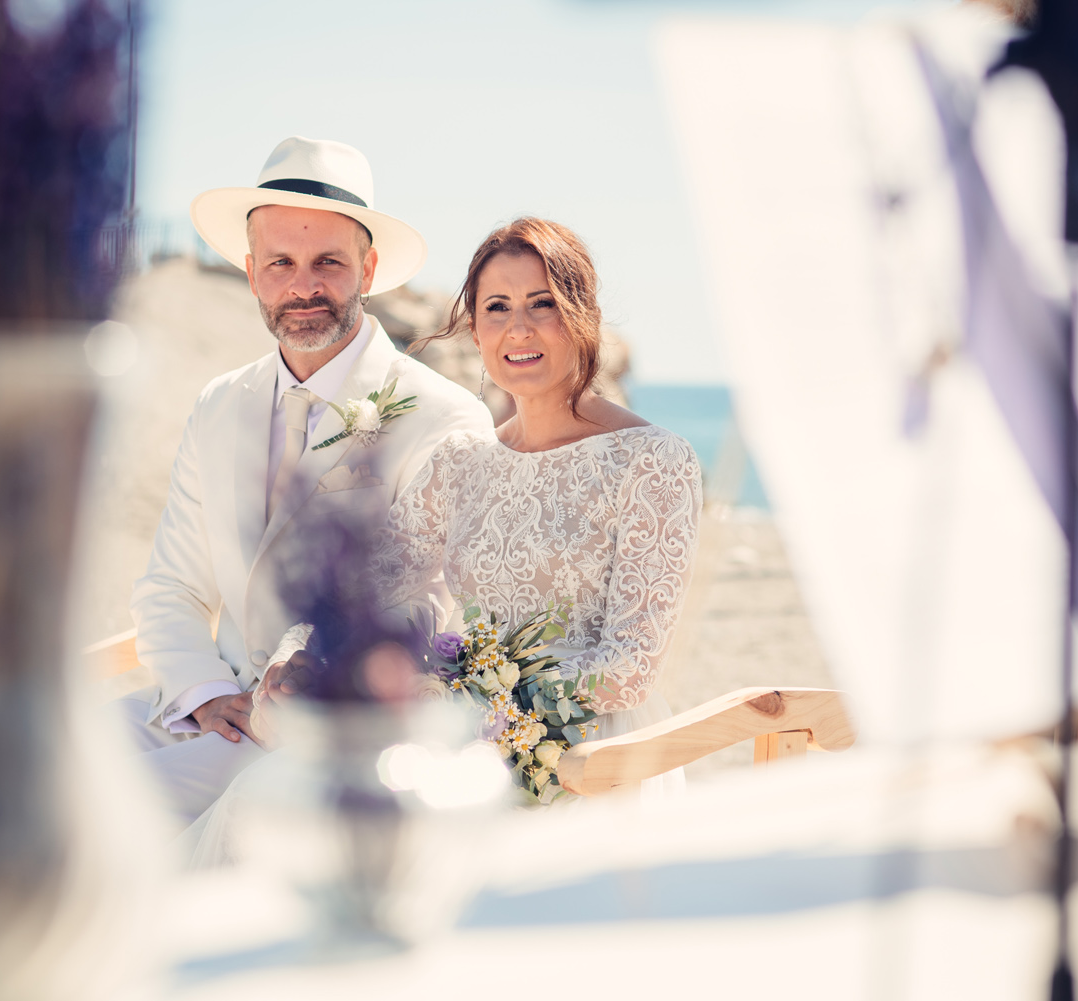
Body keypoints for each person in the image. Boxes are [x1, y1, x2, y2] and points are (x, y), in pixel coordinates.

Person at [182, 218, 703, 865]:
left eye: (542, 303)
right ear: (475, 330)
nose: (518, 329)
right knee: (264, 801)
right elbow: (368, 589)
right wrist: (301, 654)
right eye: (497, 308)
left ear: (582, 315)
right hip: (465, 734)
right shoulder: (462, 461)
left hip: (591, 751)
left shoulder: (652, 461)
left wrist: (462, 700)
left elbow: (631, 666)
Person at [114, 137, 495, 823]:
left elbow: (427, 606)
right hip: (205, 703)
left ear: (368, 269)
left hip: (330, 732)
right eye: (281, 263)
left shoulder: (443, 416)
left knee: (100, 808)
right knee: (37, 761)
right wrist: (204, 692)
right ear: (251, 271)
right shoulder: (218, 403)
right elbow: (172, 587)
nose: (303, 286)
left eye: (328, 262)